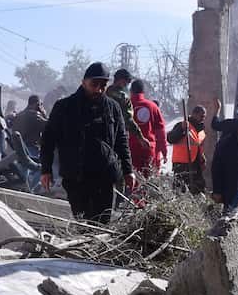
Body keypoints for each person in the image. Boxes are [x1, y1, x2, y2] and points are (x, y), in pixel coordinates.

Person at [40, 62, 136, 221]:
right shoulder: (64, 107)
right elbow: (48, 139)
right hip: (76, 178)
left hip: (105, 177)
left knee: (102, 224)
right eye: (94, 84)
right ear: (83, 82)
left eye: (103, 85)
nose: (99, 89)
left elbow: (121, 141)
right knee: (83, 223)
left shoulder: (112, 108)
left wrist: (128, 170)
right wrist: (46, 169)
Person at [128, 79, 167, 175]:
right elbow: (161, 132)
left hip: (129, 150)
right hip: (148, 150)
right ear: (143, 91)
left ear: (131, 91)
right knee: (149, 183)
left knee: (131, 181)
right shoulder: (153, 106)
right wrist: (164, 151)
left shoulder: (124, 105)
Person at [168, 105, 207, 194]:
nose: (203, 119)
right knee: (181, 191)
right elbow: (170, 138)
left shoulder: (201, 130)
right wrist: (181, 129)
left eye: (204, 117)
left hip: (195, 164)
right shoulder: (182, 125)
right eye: (201, 116)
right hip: (181, 165)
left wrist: (202, 159)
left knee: (198, 189)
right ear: (194, 114)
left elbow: (198, 147)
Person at [106, 68, 147, 147]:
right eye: (127, 81)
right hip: (119, 136)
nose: (128, 84)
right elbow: (128, 120)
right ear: (121, 80)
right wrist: (140, 137)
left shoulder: (104, 93)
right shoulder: (123, 97)